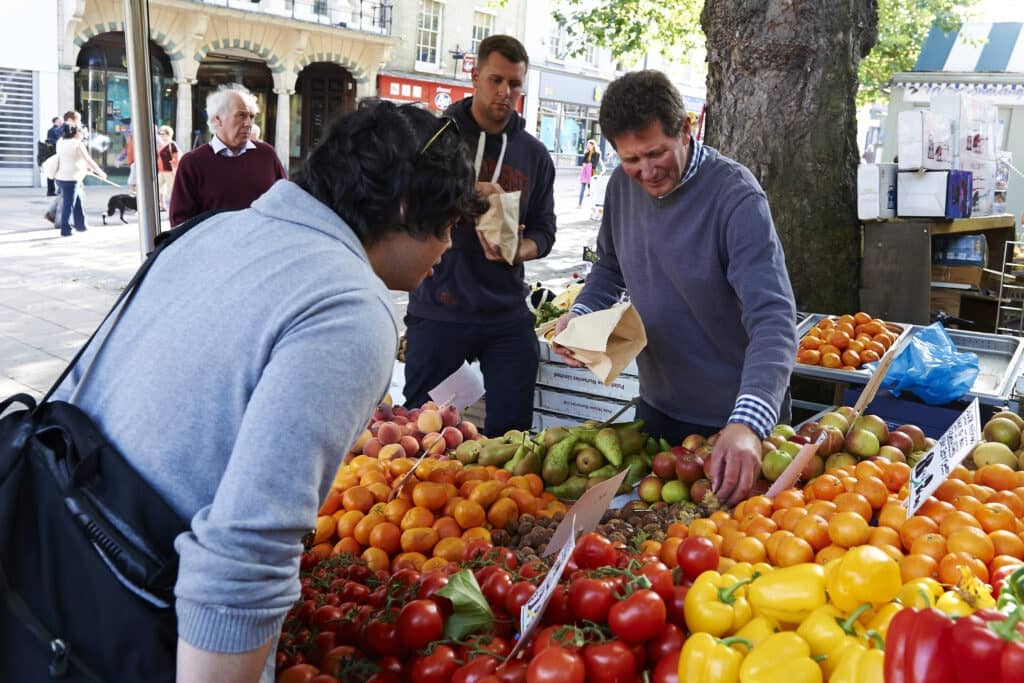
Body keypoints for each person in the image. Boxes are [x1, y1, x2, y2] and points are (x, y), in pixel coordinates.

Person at [51, 100, 481, 681]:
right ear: (406, 207)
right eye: (449, 224)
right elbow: (244, 555)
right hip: (115, 621)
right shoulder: (351, 308)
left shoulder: (213, 231)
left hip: (47, 547)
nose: (449, 246)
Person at [553, 70, 797, 506]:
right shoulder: (621, 190)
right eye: (630, 160)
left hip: (737, 421)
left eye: (655, 153)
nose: (645, 172)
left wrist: (749, 423)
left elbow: (774, 320)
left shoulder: (737, 198)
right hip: (658, 410)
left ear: (686, 128)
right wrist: (583, 316)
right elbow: (610, 266)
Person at [403, 34, 556, 436]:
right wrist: (472, 192)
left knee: (512, 436)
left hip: (505, 313)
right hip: (440, 305)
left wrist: (520, 249)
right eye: (496, 80)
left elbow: (545, 231)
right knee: (422, 433)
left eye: (515, 84)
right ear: (474, 76)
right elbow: (406, 201)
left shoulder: (535, 155)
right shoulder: (437, 138)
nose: (506, 92)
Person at [169, 83, 287, 227]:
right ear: (217, 120)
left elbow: (285, 202)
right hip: (216, 248)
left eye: (252, 116)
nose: (249, 123)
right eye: (241, 116)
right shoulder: (192, 163)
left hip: (263, 246)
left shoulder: (267, 155)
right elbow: (180, 222)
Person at [53, 122, 107, 236]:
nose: (81, 132)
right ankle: (66, 230)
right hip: (71, 179)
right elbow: (88, 160)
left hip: (61, 177)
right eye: (79, 131)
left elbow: (72, 159)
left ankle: (81, 225)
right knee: (69, 204)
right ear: (74, 132)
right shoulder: (77, 144)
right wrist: (100, 172)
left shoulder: (60, 142)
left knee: (77, 201)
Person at [44, 110, 85, 226]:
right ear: (71, 120)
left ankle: (52, 213)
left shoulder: (66, 130)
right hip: (67, 170)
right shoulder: (64, 131)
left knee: (66, 194)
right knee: (67, 196)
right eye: (78, 119)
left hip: (68, 170)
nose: (80, 122)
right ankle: (61, 221)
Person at [156, 125, 180, 211]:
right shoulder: (162, 145)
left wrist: (174, 168)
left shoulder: (172, 145)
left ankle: (176, 207)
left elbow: (176, 158)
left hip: (169, 171)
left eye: (163, 134)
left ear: (168, 134)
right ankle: (161, 204)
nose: (161, 135)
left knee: (171, 190)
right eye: (160, 134)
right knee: (157, 187)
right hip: (161, 170)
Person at [577, 138, 601, 207]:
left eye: (589, 145)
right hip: (584, 173)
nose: (588, 146)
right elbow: (583, 161)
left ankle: (594, 206)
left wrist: (588, 165)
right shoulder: (587, 153)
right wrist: (585, 164)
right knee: (582, 188)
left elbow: (595, 165)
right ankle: (579, 204)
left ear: (593, 145)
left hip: (592, 173)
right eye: (587, 145)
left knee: (594, 191)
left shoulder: (597, 154)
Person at [44, 116, 63, 196]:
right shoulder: (55, 130)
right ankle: (54, 190)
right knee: (58, 172)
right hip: (55, 154)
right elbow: (52, 141)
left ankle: (51, 190)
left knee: (52, 172)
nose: (61, 122)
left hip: (52, 154)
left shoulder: (52, 130)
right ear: (56, 122)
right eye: (60, 121)